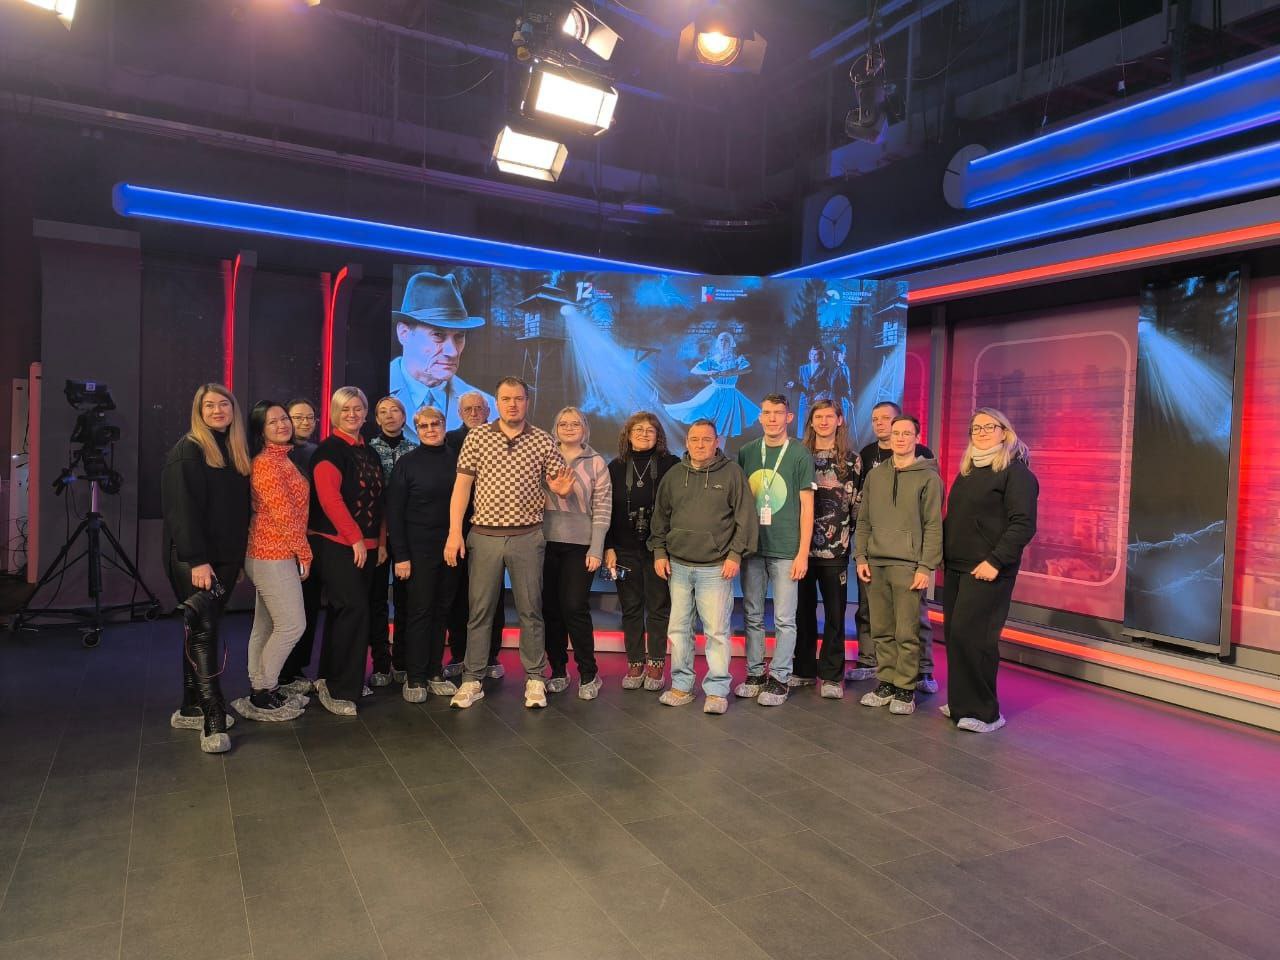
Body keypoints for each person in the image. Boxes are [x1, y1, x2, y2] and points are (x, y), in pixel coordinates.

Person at [445, 377, 575, 710]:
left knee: (531, 610)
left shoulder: (542, 440)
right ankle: (472, 679)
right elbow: (462, 488)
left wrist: (562, 490)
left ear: (527, 402)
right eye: (506, 399)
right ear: (497, 402)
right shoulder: (478, 437)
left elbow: (560, 484)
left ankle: (535, 678)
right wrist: (455, 532)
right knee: (480, 611)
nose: (512, 404)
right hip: (484, 536)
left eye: (518, 398)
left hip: (527, 537)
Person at [160, 383, 251, 754]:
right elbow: (181, 511)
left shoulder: (233, 451)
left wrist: (235, 560)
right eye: (209, 405)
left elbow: (234, 514)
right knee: (204, 634)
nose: (217, 411)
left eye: (223, 404)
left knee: (200, 630)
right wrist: (198, 560)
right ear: (198, 411)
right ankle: (213, 720)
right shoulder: (188, 451)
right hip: (193, 560)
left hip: (224, 559)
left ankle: (191, 707)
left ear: (233, 410)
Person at [649, 419, 756, 715]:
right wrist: (659, 552)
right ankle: (682, 686)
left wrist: (735, 555)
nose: (700, 445)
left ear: (716, 442)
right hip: (678, 567)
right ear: (686, 442)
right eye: (694, 439)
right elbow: (660, 518)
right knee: (678, 629)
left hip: (716, 568)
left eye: (706, 439)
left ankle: (717, 691)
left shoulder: (732, 473)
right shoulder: (674, 475)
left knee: (716, 632)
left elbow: (745, 518)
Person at [942, 408, 1038, 733]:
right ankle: (961, 702)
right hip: (958, 567)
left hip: (989, 569)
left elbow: (1023, 525)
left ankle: (985, 713)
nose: (981, 432)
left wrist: (995, 561)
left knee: (977, 640)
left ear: (1005, 432)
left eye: (989, 427)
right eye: (976, 428)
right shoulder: (969, 471)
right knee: (956, 636)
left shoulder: (1016, 474)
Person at [847, 400, 939, 692]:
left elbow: (934, 525)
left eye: (906, 433)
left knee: (908, 629)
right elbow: (864, 520)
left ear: (917, 438)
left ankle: (907, 687)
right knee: (882, 628)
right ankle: (886, 682)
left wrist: (925, 566)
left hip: (908, 564)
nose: (899, 438)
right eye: (896, 433)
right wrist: (861, 556)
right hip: (876, 562)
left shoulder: (928, 476)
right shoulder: (875, 473)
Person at [734, 394, 815, 707]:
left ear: (788, 417)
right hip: (753, 548)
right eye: (766, 412)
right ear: (760, 417)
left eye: (778, 413)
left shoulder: (799, 454)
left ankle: (780, 678)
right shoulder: (747, 452)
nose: (771, 418)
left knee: (784, 618)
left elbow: (807, 507)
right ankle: (755, 674)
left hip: (786, 549)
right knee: (752, 614)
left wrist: (802, 552)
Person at [308, 386, 385, 716]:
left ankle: (331, 678)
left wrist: (380, 542)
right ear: (334, 414)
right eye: (345, 409)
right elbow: (330, 500)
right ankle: (341, 688)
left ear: (366, 413)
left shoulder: (369, 452)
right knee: (353, 611)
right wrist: (355, 539)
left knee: (346, 613)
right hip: (338, 545)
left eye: (358, 408)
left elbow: (379, 501)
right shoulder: (329, 451)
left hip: (367, 547)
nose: (352, 414)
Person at [235, 401, 310, 722]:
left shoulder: (282, 459)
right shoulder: (266, 464)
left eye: (284, 419)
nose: (282, 425)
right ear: (261, 430)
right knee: (293, 625)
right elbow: (285, 517)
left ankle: (262, 687)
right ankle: (263, 689)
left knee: (265, 626)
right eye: (272, 422)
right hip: (271, 554)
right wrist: (304, 552)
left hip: (272, 553)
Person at [387, 407, 460, 701]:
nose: (430, 429)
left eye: (435, 424)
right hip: (417, 552)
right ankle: (415, 677)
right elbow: (394, 514)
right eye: (424, 426)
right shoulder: (406, 464)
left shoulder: (458, 460)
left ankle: (434, 672)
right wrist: (401, 556)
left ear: (444, 425)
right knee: (420, 611)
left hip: (451, 549)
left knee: (442, 610)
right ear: (416, 430)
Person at [604, 412, 680, 691]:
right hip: (623, 550)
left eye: (650, 430)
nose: (644, 434)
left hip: (659, 550)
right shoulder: (615, 466)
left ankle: (656, 664)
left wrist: (666, 549)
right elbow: (605, 510)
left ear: (659, 435)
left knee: (658, 608)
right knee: (631, 608)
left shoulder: (671, 464)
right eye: (638, 429)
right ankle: (635, 662)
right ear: (628, 434)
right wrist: (608, 547)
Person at [542, 407, 612, 699]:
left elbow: (603, 508)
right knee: (550, 609)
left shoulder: (597, 462)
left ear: (585, 428)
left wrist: (597, 547)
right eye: (563, 423)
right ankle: (558, 670)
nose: (569, 428)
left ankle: (589, 673)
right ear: (555, 428)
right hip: (544, 543)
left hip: (581, 546)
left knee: (574, 607)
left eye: (575, 423)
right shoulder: (545, 457)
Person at [794, 400, 861, 698]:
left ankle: (832, 675)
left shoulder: (851, 461)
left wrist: (847, 538)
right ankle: (804, 670)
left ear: (839, 420)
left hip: (836, 551)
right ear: (810, 422)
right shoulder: (799, 455)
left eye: (829, 416)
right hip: (801, 551)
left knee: (835, 614)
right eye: (818, 417)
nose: (823, 421)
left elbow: (856, 505)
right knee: (802, 612)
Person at [444, 391, 506, 679]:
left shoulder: (501, 437)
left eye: (479, 408)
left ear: (488, 411)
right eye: (467, 409)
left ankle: (491, 655)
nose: (473, 413)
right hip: (459, 527)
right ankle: (459, 654)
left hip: (494, 526)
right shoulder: (449, 441)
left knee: (493, 593)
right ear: (459, 413)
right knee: (458, 592)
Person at [389, 271, 496, 432]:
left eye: (459, 336)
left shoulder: (489, 408)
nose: (453, 352)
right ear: (404, 333)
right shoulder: (367, 399)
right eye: (438, 335)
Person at [367, 396, 413, 687]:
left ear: (404, 416)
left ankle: (402, 661)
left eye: (395, 410)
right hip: (376, 534)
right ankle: (381, 663)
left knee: (406, 600)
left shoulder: (415, 450)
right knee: (376, 600)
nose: (389, 415)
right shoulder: (368, 450)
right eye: (382, 412)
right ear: (376, 419)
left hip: (407, 535)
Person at [279, 398, 321, 696]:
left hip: (313, 540)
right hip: (283, 543)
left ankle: (296, 670)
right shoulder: (275, 454)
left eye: (310, 417)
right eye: (298, 417)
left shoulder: (318, 452)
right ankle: (280, 673)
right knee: (286, 613)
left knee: (309, 607)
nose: (305, 422)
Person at [664, 331, 760, 440]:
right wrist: (707, 372)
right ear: (718, 343)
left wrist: (732, 372)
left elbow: (748, 369)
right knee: (705, 419)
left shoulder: (737, 359)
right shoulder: (712, 359)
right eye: (721, 340)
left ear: (731, 343)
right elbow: (694, 370)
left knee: (724, 426)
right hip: (713, 392)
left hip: (730, 395)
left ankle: (719, 448)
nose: (723, 342)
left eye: (726, 340)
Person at [795, 345, 832, 437]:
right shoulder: (802, 368)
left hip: (817, 401)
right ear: (809, 355)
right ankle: (802, 442)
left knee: (816, 425)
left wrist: (821, 395)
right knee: (803, 425)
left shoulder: (825, 369)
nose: (813, 356)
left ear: (820, 356)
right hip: (804, 400)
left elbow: (828, 387)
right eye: (812, 354)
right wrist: (793, 385)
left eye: (816, 354)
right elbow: (800, 385)